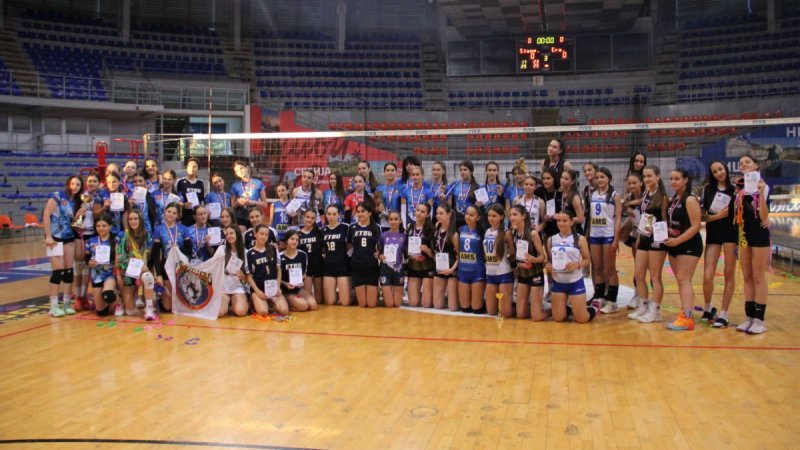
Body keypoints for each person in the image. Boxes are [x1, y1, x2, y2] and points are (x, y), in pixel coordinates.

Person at [662, 168, 703, 331]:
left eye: (677, 179)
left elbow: (696, 226)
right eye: (671, 179)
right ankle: (684, 314)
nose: (673, 182)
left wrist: (677, 240)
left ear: (685, 180)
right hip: (674, 244)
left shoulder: (690, 199)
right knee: (681, 281)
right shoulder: (674, 199)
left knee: (684, 279)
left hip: (689, 244)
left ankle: (687, 318)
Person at [734, 155, 771, 334]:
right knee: (747, 276)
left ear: (756, 165)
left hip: (759, 235)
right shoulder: (739, 189)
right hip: (744, 235)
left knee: (758, 277)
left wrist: (761, 194)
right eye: (741, 163)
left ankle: (759, 320)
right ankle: (749, 318)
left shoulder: (764, 186)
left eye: (747, 162)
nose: (744, 165)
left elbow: (763, 216)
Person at [629, 166, 669, 324]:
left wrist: (658, 230)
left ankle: (655, 311)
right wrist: (639, 235)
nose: (646, 179)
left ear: (657, 177)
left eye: (649, 176)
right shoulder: (646, 194)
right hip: (644, 237)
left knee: (655, 276)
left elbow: (665, 220)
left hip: (657, 239)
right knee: (638, 275)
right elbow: (644, 217)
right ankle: (643, 306)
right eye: (644, 176)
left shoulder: (663, 197)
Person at [701, 161, 737, 327]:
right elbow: (703, 217)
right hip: (713, 234)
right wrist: (718, 216)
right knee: (708, 274)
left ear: (726, 169)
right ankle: (708, 307)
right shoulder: (707, 189)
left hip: (731, 234)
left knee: (729, 273)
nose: (719, 173)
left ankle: (724, 313)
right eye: (715, 171)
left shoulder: (735, 190)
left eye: (720, 169)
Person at [546, 210, 599, 324]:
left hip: (575, 282)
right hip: (558, 283)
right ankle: (570, 308)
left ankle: (594, 307)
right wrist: (548, 266)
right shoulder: (551, 240)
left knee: (581, 319)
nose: (561, 223)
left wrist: (578, 264)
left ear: (571, 222)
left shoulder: (580, 239)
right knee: (558, 318)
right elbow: (550, 260)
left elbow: (587, 259)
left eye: (564, 221)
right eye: (559, 221)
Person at [43, 175, 85, 317]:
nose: (75, 187)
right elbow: (46, 214)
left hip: (69, 236)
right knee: (58, 272)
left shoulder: (77, 201)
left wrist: (79, 215)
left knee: (68, 271)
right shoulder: (57, 196)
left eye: (78, 184)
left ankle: (67, 303)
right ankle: (54, 306)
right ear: (68, 184)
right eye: (72, 184)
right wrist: (48, 236)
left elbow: (73, 222)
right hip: (55, 237)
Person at [588, 167, 622, 313]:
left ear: (609, 178)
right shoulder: (593, 194)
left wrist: (616, 239)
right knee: (597, 267)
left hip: (608, 234)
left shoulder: (615, 195)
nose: (599, 180)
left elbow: (618, 219)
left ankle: (612, 301)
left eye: (602, 177)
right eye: (597, 177)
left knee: (609, 269)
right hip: (595, 235)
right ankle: (599, 296)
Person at [115, 209, 158, 319]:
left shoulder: (147, 235)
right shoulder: (122, 235)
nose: (133, 221)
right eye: (130, 219)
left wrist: (148, 270)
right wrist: (118, 276)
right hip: (127, 272)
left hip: (141, 270)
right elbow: (118, 258)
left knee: (148, 277)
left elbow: (149, 257)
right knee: (130, 311)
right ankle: (124, 301)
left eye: (135, 219)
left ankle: (149, 308)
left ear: (140, 220)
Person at [509, 205, 547, 321]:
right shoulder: (513, 233)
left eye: (515, 214)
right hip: (523, 275)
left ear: (524, 216)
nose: (511, 217)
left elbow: (543, 257)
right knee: (520, 315)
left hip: (535, 274)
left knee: (536, 317)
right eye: (510, 215)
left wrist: (533, 259)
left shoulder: (533, 234)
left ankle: (552, 310)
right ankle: (533, 306)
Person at [72, 171, 101, 311]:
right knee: (78, 265)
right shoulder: (80, 197)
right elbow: (74, 220)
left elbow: (99, 216)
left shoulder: (100, 198)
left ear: (99, 183)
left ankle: (84, 297)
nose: (92, 183)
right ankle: (78, 296)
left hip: (93, 234)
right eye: (90, 181)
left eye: (95, 181)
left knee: (88, 268)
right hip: (80, 234)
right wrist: (79, 215)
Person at [247, 224, 288, 315]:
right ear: (255, 234)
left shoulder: (273, 249)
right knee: (263, 312)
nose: (264, 236)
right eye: (261, 234)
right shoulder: (249, 253)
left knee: (284, 311)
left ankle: (270, 302)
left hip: (273, 287)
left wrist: (278, 287)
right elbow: (249, 276)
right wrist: (258, 292)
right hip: (259, 289)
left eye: (266, 235)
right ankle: (253, 300)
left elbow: (278, 269)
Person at [348, 202, 382, 308]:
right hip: (357, 266)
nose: (360, 214)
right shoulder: (352, 227)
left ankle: (378, 292)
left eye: (363, 211)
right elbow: (349, 245)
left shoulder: (377, 227)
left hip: (372, 266)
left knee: (371, 304)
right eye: (358, 212)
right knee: (362, 304)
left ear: (370, 213)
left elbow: (380, 246)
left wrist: (378, 253)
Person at [618, 172, 643, 309]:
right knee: (637, 265)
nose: (632, 185)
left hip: (647, 230)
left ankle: (644, 297)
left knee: (646, 267)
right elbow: (624, 205)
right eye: (630, 183)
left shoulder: (646, 196)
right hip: (636, 228)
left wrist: (630, 204)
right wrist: (627, 207)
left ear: (641, 183)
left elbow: (643, 201)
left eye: (634, 183)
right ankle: (637, 294)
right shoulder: (628, 196)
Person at [483, 204, 513, 318]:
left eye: (494, 216)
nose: (491, 218)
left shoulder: (506, 232)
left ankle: (515, 307)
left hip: (504, 273)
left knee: (505, 313)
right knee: (491, 311)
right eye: (489, 215)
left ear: (501, 217)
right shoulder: (487, 231)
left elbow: (513, 252)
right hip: (490, 274)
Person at [85, 214, 118, 316]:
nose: (101, 228)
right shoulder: (91, 240)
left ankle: (118, 299)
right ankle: (109, 304)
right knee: (101, 312)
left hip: (110, 274)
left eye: (104, 226)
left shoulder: (115, 239)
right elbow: (86, 256)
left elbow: (118, 257)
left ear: (110, 226)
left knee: (108, 295)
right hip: (96, 275)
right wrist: (89, 262)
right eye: (98, 226)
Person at [456, 205, 486, 313]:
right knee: (465, 308)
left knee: (476, 309)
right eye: (467, 214)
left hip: (477, 271)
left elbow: (485, 254)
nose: (468, 217)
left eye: (472, 215)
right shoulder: (460, 230)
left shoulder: (482, 232)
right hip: (463, 271)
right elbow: (457, 251)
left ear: (478, 217)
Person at [405, 203, 435, 308]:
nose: (418, 213)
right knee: (413, 303)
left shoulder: (431, 229)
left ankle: (428, 294)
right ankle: (421, 295)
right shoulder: (409, 227)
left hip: (428, 268)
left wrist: (427, 250)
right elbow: (405, 248)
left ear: (428, 215)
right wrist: (411, 256)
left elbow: (436, 253)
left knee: (426, 304)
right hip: (413, 267)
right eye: (417, 210)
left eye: (422, 212)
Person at [280, 230, 317, 311]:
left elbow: (304, 273)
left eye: (297, 240)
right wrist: (285, 284)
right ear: (286, 240)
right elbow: (276, 278)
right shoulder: (280, 256)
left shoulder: (303, 255)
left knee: (313, 305)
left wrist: (301, 279)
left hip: (298, 289)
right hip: (285, 290)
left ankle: (296, 302)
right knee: (303, 306)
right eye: (292, 239)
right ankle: (285, 303)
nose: (295, 242)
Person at [321, 205, 351, 306]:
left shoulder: (345, 227)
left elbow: (351, 245)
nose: (331, 217)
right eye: (329, 214)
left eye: (334, 214)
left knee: (345, 302)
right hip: (328, 267)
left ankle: (352, 293)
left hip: (343, 266)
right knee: (330, 302)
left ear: (339, 215)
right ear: (326, 215)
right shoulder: (323, 231)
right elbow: (322, 249)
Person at [218, 225, 249, 317]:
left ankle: (245, 302)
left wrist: (244, 277)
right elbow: (213, 266)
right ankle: (229, 305)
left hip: (237, 286)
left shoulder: (246, 252)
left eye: (231, 233)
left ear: (238, 234)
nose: (229, 236)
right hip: (224, 286)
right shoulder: (221, 249)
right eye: (227, 234)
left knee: (240, 312)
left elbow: (249, 276)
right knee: (219, 313)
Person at [433, 203, 459, 311]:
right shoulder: (436, 227)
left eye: (441, 213)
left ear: (449, 214)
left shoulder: (454, 235)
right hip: (439, 268)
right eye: (437, 213)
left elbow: (459, 256)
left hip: (451, 270)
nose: (438, 216)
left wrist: (451, 269)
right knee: (437, 306)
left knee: (452, 307)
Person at [378, 211, 406, 308]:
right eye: (391, 219)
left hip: (398, 270)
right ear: (388, 221)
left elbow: (407, 254)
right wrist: (380, 256)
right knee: (389, 304)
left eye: (396, 219)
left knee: (397, 304)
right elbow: (378, 252)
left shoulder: (404, 237)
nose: (393, 221)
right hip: (385, 270)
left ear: (400, 221)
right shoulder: (383, 235)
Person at [231, 160, 268, 227]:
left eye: (241, 168)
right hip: (240, 217)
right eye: (237, 171)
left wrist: (252, 202)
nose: (240, 171)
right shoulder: (235, 186)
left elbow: (265, 204)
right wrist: (238, 203)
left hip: (255, 217)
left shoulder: (258, 183)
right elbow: (232, 207)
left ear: (246, 168)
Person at [298, 210, 324, 305]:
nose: (309, 220)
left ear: (315, 219)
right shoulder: (298, 234)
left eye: (312, 218)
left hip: (318, 265)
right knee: (309, 299)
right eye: (307, 217)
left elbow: (324, 248)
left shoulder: (319, 232)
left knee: (319, 300)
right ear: (304, 217)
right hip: (306, 268)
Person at [93, 172, 129, 238]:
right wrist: (104, 208)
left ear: (119, 182)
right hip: (104, 231)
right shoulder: (101, 195)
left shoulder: (123, 196)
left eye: (114, 182)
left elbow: (124, 216)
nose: (111, 184)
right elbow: (94, 215)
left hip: (119, 232)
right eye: (109, 182)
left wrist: (127, 232)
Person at [176, 157, 205, 227]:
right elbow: (176, 199)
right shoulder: (180, 182)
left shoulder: (200, 183)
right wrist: (183, 205)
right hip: (184, 216)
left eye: (194, 166)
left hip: (197, 217)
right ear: (186, 168)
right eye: (190, 166)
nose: (192, 168)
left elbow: (202, 201)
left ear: (198, 169)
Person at [450, 161, 479, 228]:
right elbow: (449, 200)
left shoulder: (477, 187)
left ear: (471, 171)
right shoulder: (454, 184)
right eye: (461, 170)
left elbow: (479, 206)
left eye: (465, 170)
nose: (462, 172)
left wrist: (479, 205)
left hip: (469, 220)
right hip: (456, 219)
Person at [376, 163, 402, 230]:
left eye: (392, 170)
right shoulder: (379, 188)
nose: (390, 172)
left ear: (396, 172)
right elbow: (376, 206)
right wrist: (378, 208)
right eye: (387, 170)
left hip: (397, 222)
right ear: (384, 172)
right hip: (384, 222)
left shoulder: (401, 188)